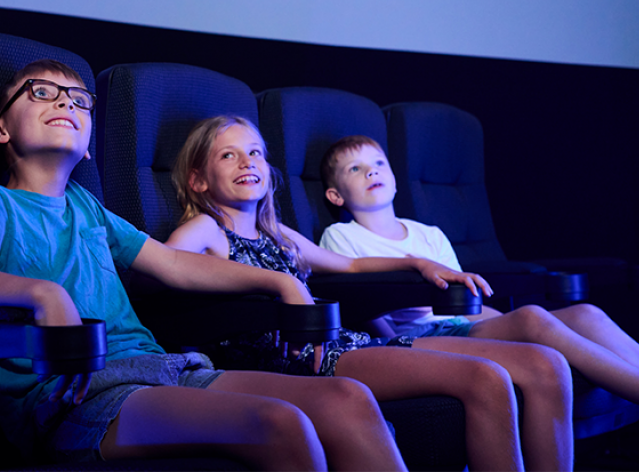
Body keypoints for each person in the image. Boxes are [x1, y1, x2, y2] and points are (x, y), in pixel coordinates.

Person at [0, 60, 409, 472]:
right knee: (281, 423)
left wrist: (279, 280)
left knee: (347, 399)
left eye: (78, 99)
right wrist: (44, 293)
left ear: (88, 145)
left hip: (161, 367)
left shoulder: (88, 207)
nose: (66, 102)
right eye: (42, 93)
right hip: (75, 393)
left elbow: (173, 263)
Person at [166, 115, 573, 472]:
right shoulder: (206, 228)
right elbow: (165, 267)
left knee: (541, 362)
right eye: (228, 156)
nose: (247, 162)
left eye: (255, 152)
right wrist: (273, 282)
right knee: (484, 377)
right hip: (296, 364)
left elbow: (351, 266)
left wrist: (416, 262)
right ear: (198, 179)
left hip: (344, 344)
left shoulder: (278, 234)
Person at [319, 133, 639, 408]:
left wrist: (506, 325)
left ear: (394, 178)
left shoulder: (429, 234)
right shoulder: (341, 236)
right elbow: (357, 303)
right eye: (355, 168)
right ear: (335, 195)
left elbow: (465, 303)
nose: (370, 172)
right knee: (532, 318)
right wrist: (396, 348)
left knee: (586, 314)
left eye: (378, 164)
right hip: (416, 338)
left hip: (456, 326)